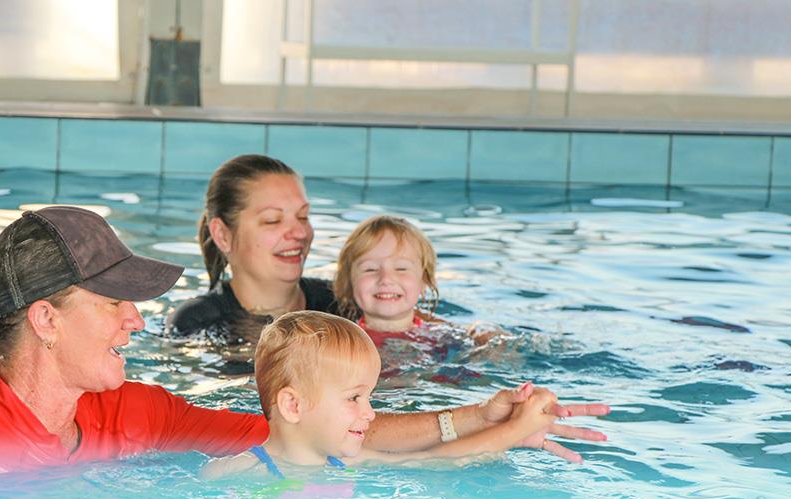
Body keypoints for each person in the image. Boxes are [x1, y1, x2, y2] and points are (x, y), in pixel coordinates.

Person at [0, 206, 608, 483]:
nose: (137, 321)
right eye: (115, 304)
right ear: (47, 321)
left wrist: (481, 419)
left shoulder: (136, 415)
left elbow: (309, 437)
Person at [202, 311, 561, 480]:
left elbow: (442, 459)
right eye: (354, 398)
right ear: (293, 405)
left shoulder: (346, 462)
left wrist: (517, 428)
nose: (370, 413)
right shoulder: (231, 473)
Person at [166, 154, 336, 342]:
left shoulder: (342, 304)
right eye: (272, 220)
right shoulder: (196, 324)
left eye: (303, 216)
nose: (300, 233)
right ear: (223, 235)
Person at [334, 214, 495, 348]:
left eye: (401, 268)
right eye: (370, 269)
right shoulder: (340, 343)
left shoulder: (446, 337)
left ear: (424, 281)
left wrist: (486, 335)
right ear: (348, 283)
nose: (386, 279)